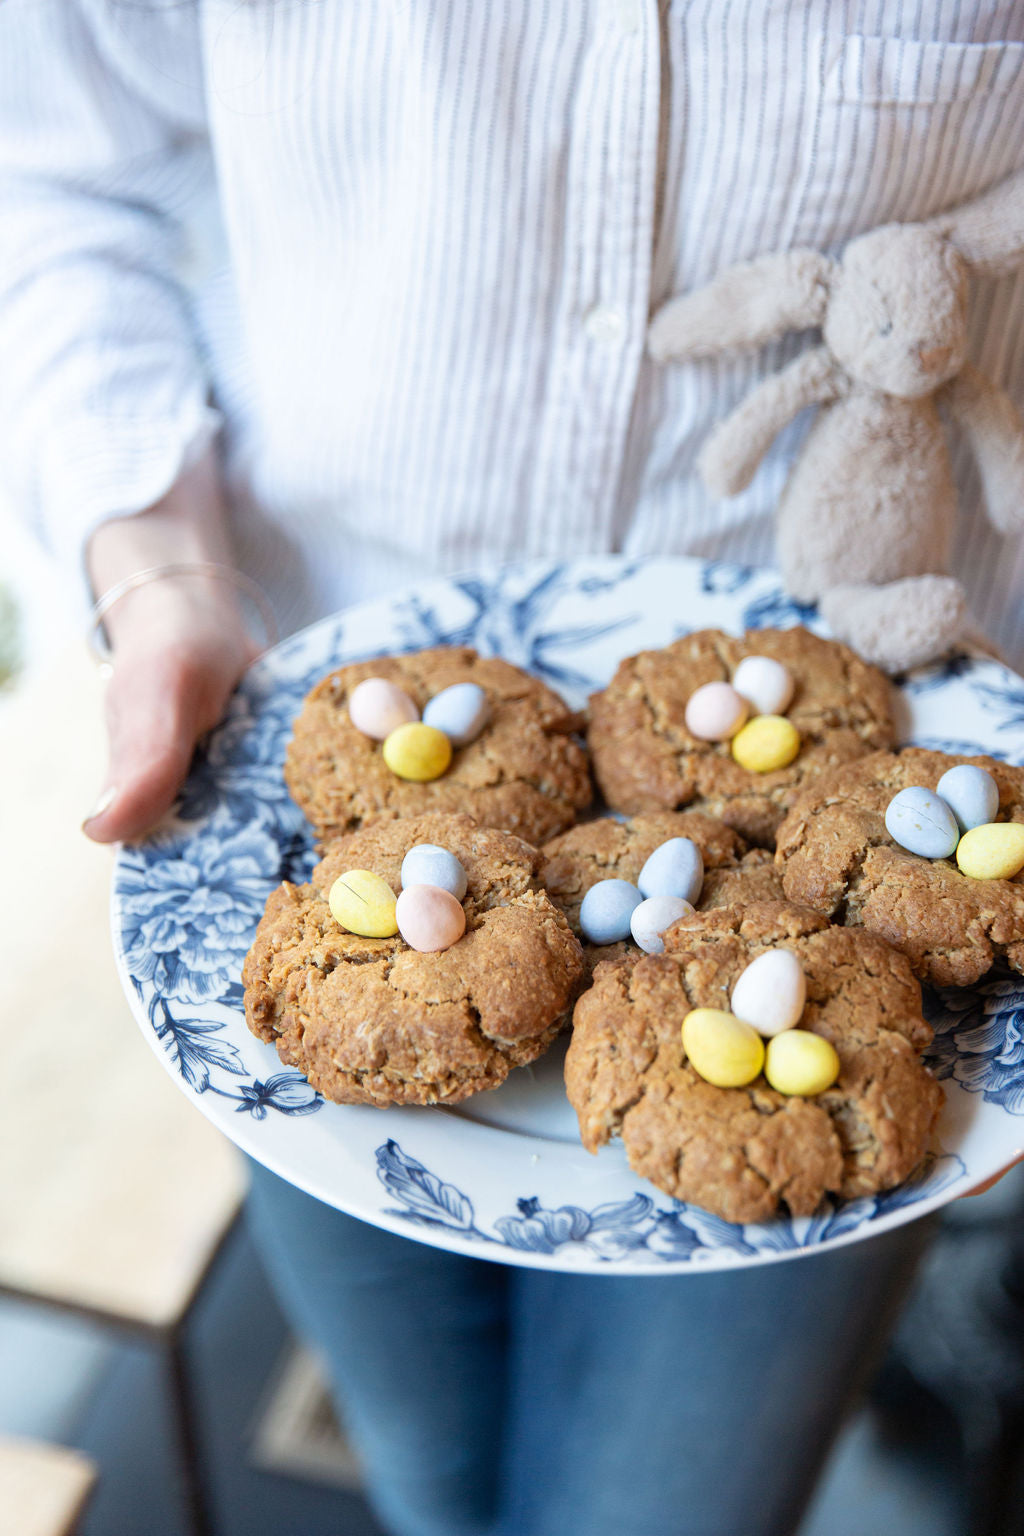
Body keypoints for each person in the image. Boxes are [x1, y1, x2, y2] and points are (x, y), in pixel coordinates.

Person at [2, 4, 1022, 1534]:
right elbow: (60, 169)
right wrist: (157, 573)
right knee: (428, 1478)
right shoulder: (360, 918)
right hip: (297, 731)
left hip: (901, 650)